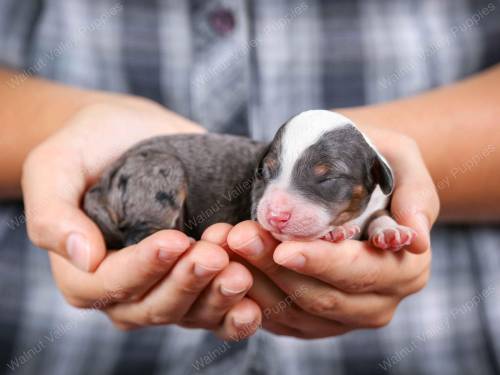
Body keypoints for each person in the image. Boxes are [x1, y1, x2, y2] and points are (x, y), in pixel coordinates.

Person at [0, 1, 499, 374]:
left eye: (323, 184)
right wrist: (62, 131)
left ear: (378, 179)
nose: (277, 211)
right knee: (163, 215)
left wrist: (405, 190)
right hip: (61, 342)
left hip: (437, 340)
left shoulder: (372, 179)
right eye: (271, 174)